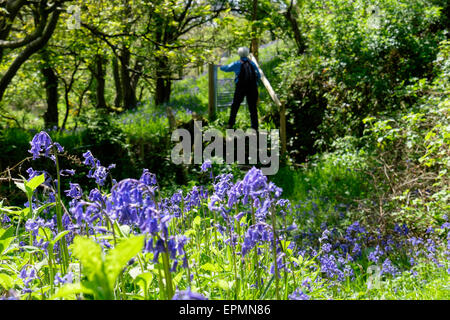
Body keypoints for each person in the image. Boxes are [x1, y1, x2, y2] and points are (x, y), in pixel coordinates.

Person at [219, 47, 261, 131]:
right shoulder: (252, 63)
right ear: (247, 53)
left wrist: (220, 66)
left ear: (239, 54)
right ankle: (255, 127)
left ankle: (230, 124)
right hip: (252, 88)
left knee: (235, 106)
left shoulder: (237, 63)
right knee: (253, 108)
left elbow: (226, 68)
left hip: (241, 88)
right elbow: (259, 75)